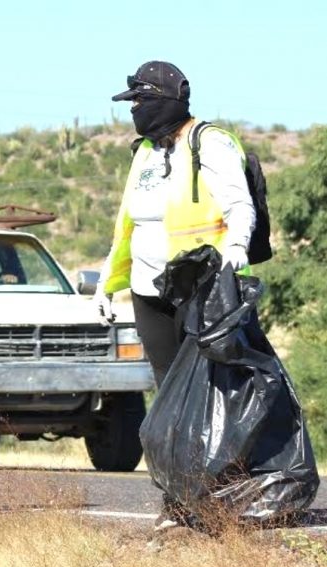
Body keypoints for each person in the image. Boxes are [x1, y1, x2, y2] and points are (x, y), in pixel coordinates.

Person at [96, 60, 256, 529]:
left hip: (201, 286)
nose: (136, 112)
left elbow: (239, 205)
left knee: (210, 397)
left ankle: (223, 497)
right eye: (133, 104)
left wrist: (235, 252)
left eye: (142, 102)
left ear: (168, 101)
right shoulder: (143, 152)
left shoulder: (210, 143)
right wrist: (108, 283)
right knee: (169, 399)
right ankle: (180, 502)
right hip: (148, 291)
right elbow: (128, 226)